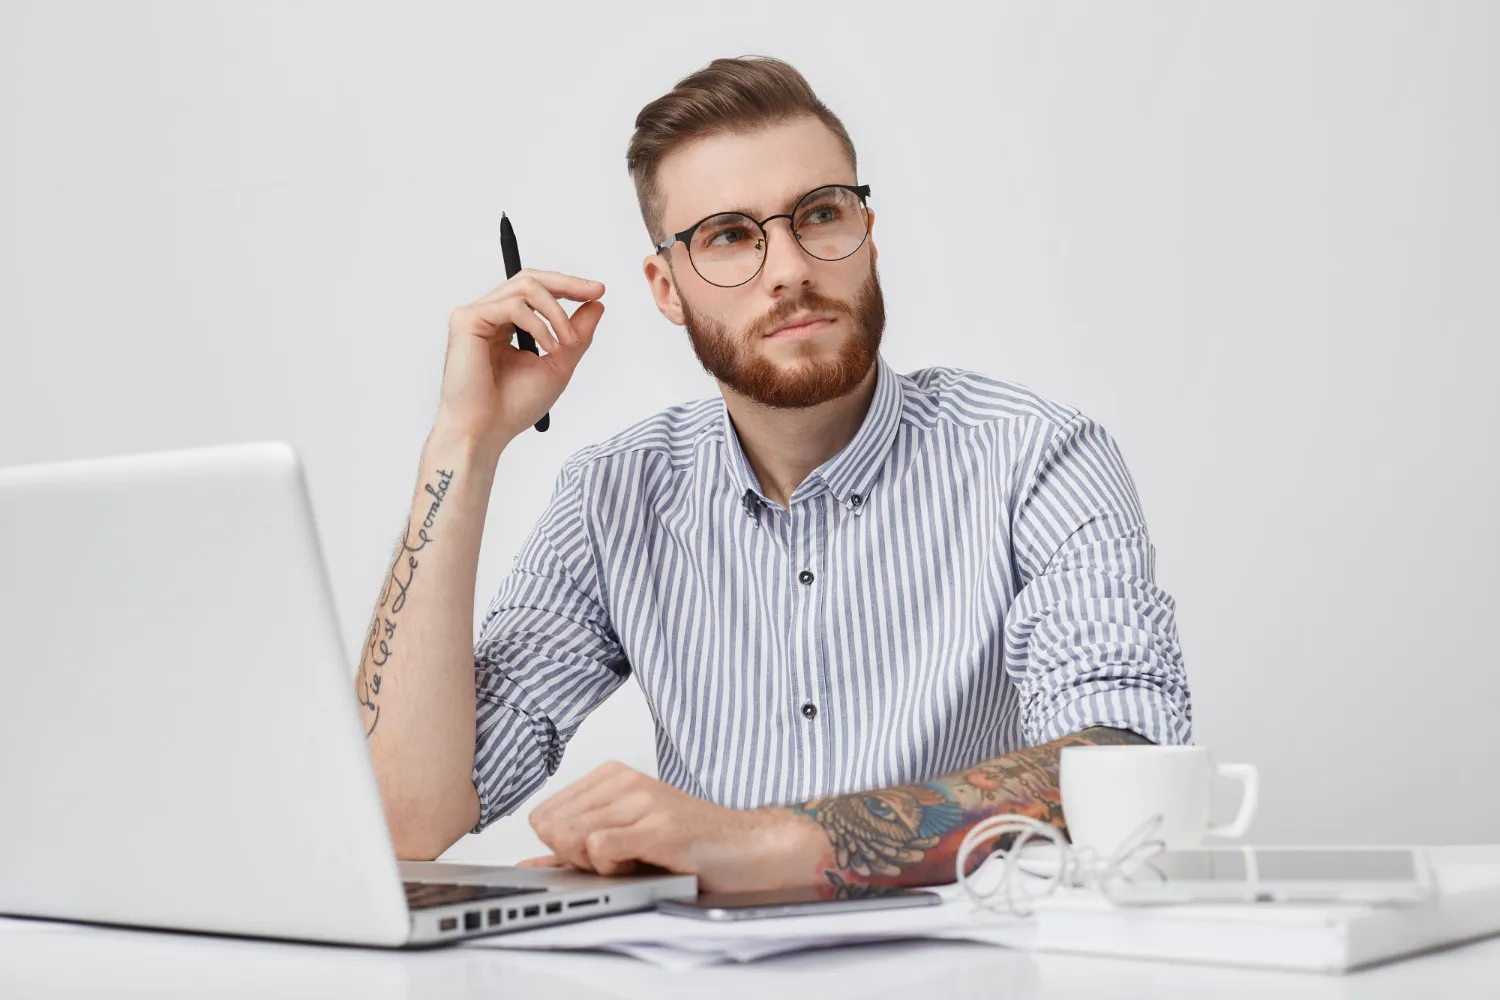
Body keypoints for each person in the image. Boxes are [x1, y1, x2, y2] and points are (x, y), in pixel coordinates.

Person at [354, 54, 1193, 893]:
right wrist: (463, 444)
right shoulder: (615, 496)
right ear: (667, 287)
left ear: (868, 234)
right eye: (728, 236)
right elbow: (401, 821)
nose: (790, 268)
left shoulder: (1036, 457)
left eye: (820, 215)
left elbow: (1122, 768)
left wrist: (760, 846)